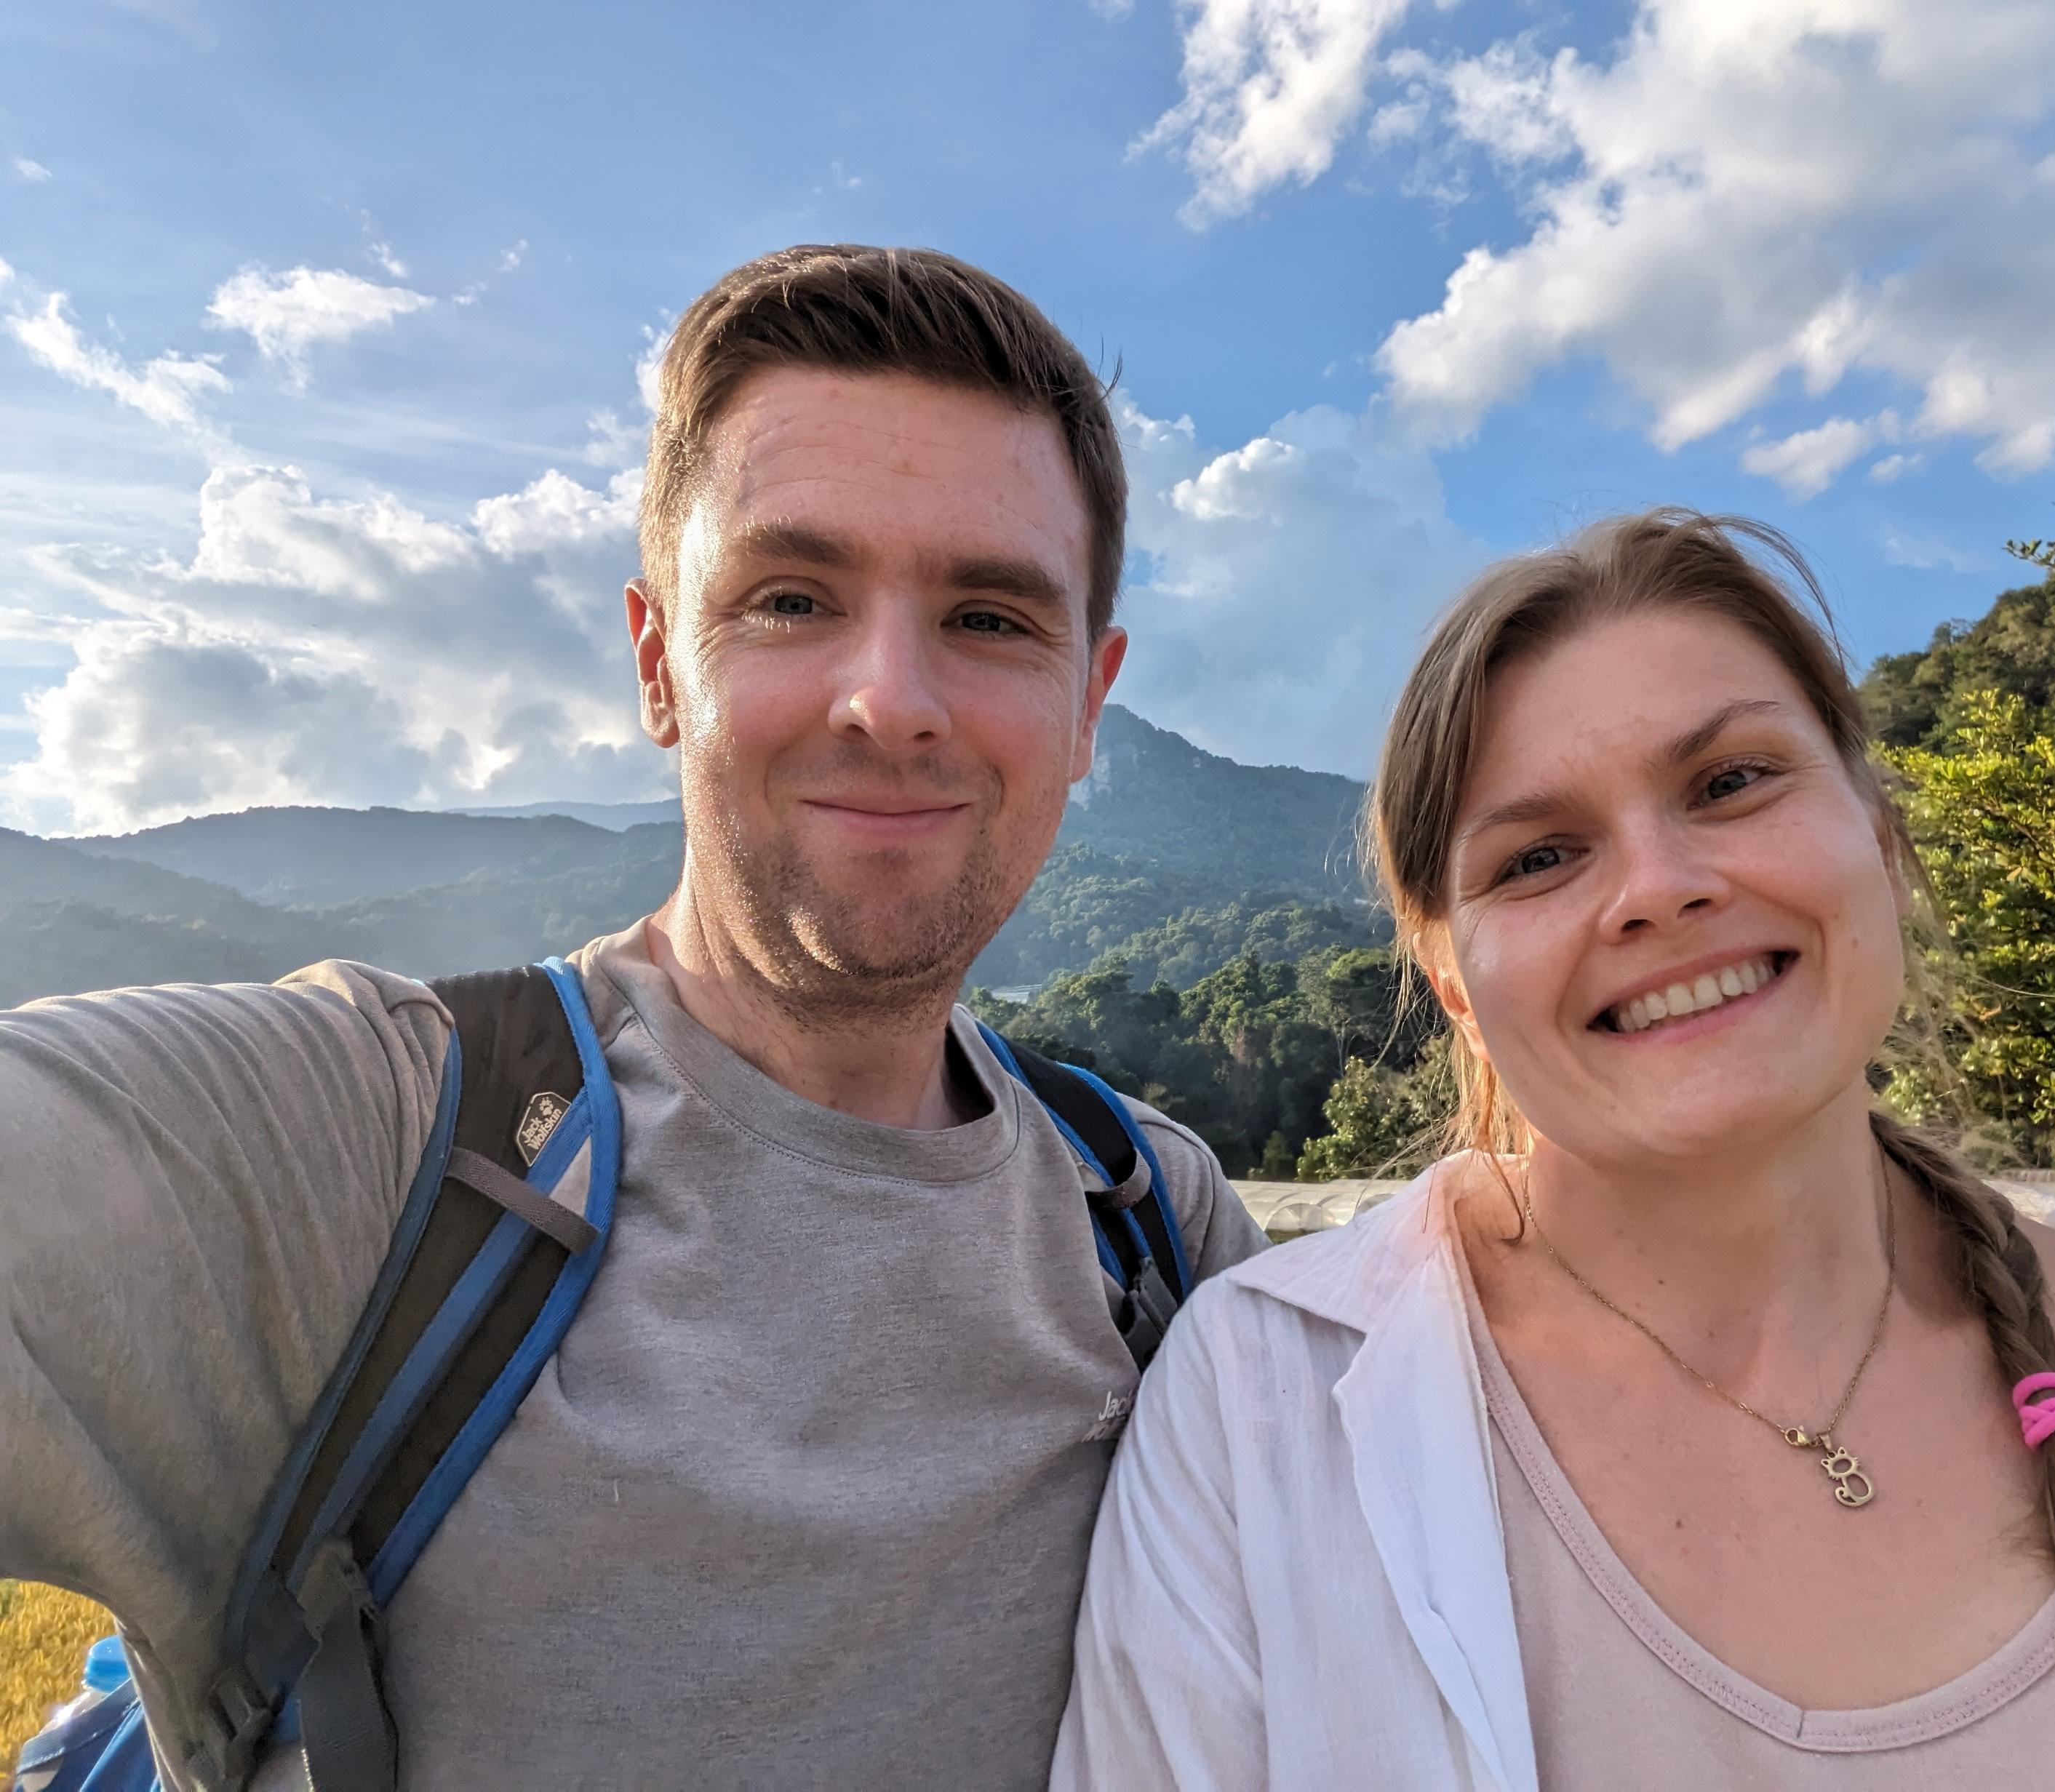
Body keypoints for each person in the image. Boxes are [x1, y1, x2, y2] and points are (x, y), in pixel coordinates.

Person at [1, 244, 1263, 1790]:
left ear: (1087, 704)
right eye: (791, 599)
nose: (890, 697)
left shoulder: (1153, 1227)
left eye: (991, 616)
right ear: (661, 662)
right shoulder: (359, 1148)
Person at [1054, 511, 2055, 1791]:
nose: (1657, 887)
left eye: (1732, 782)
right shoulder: (1260, 1417)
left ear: (1880, 834)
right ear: (1451, 978)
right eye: (1541, 856)